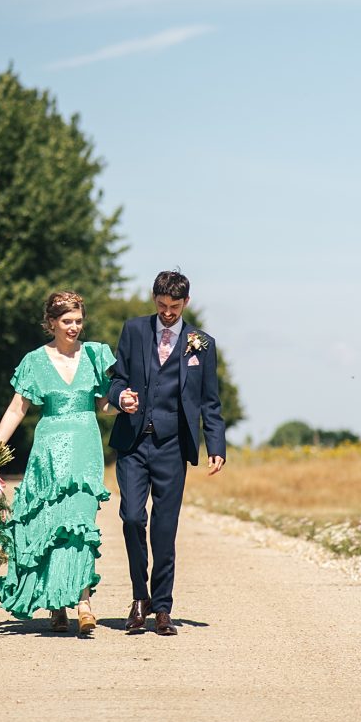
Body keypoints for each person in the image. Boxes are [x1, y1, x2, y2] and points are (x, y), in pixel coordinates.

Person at [0, 290, 114, 635]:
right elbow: (17, 409)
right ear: (52, 324)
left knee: (79, 524)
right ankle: (58, 605)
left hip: (86, 449)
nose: (74, 327)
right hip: (49, 451)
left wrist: (126, 403)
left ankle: (84, 602)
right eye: (67, 321)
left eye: (78, 321)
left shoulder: (96, 355)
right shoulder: (35, 362)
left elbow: (105, 404)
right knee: (52, 525)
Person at [107, 270, 226, 636]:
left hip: (173, 446)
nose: (168, 312)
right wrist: (120, 397)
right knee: (130, 517)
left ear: (186, 302)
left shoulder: (201, 343)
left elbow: (209, 400)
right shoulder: (135, 330)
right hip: (133, 442)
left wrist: (216, 445)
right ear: (154, 299)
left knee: (163, 528)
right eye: (162, 305)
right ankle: (138, 598)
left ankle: (161, 607)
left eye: (175, 306)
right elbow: (117, 378)